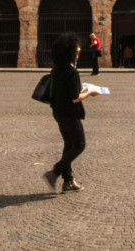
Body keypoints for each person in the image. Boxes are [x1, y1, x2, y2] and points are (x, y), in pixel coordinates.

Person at [42, 32, 100, 193]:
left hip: (58, 111)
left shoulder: (56, 69)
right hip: (70, 112)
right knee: (79, 145)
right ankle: (55, 172)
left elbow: (64, 90)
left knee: (69, 145)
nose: (79, 51)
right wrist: (89, 92)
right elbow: (75, 98)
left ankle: (68, 181)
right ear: (71, 52)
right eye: (77, 49)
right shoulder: (72, 72)